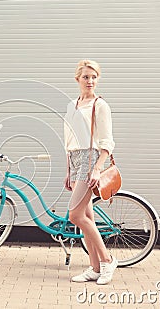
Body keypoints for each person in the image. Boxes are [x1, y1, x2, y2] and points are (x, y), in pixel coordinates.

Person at [63, 59, 118, 285]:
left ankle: (107, 260)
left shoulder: (100, 105)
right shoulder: (72, 105)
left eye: (94, 77)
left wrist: (97, 168)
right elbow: (69, 140)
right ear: (77, 79)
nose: (90, 81)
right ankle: (94, 268)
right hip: (75, 160)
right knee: (87, 217)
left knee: (76, 216)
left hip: (90, 159)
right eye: (86, 77)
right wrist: (68, 170)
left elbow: (107, 142)